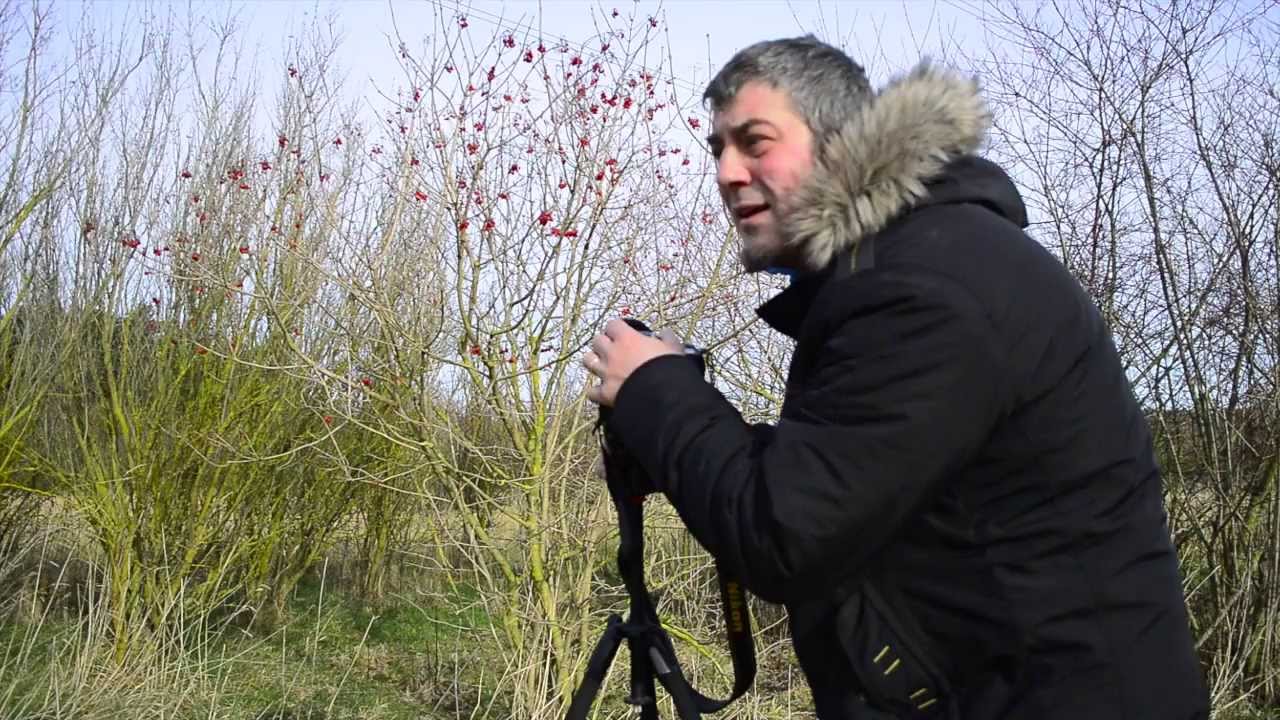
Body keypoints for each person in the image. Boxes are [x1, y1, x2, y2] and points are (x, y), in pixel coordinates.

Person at [581, 35, 1209, 720]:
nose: (729, 172)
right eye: (718, 150)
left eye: (755, 142)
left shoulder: (922, 289)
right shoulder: (924, 261)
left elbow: (784, 534)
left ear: (843, 142)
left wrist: (655, 391)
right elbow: (844, 483)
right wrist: (672, 392)